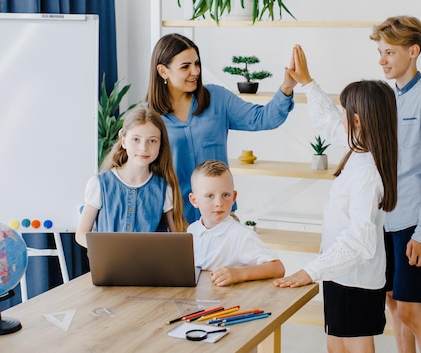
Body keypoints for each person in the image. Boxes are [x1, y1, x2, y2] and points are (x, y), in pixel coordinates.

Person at [274, 44, 398, 353]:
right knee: (336, 346)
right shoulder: (358, 147)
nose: (339, 117)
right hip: (340, 274)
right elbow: (327, 122)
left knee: (353, 346)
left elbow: (359, 242)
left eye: (345, 112)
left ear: (357, 121)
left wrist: (310, 271)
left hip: (353, 279)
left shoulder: (367, 173)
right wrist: (308, 83)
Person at [146, 33, 297, 224]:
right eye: (185, 66)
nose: (195, 71)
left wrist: (287, 87)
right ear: (163, 71)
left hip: (220, 214)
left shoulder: (218, 98)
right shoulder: (148, 115)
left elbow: (262, 118)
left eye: (197, 63)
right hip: (173, 219)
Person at [370, 16, 421, 353]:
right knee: (392, 302)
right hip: (385, 219)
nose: (382, 60)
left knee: (411, 309)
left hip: (412, 224)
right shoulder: (388, 98)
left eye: (389, 52)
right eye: (380, 52)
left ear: (413, 51)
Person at [75, 107, 187, 248]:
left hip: (149, 268)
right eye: (136, 139)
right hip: (109, 267)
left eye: (152, 141)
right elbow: (81, 234)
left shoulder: (164, 188)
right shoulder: (99, 184)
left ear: (160, 145)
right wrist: (105, 249)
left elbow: (177, 238)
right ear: (124, 141)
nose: (143, 148)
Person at [187, 160, 285, 287]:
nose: (219, 203)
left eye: (225, 195)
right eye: (210, 196)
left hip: (230, 301)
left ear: (234, 197)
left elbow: (278, 268)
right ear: (194, 200)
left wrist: (238, 274)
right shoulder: (192, 230)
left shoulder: (241, 235)